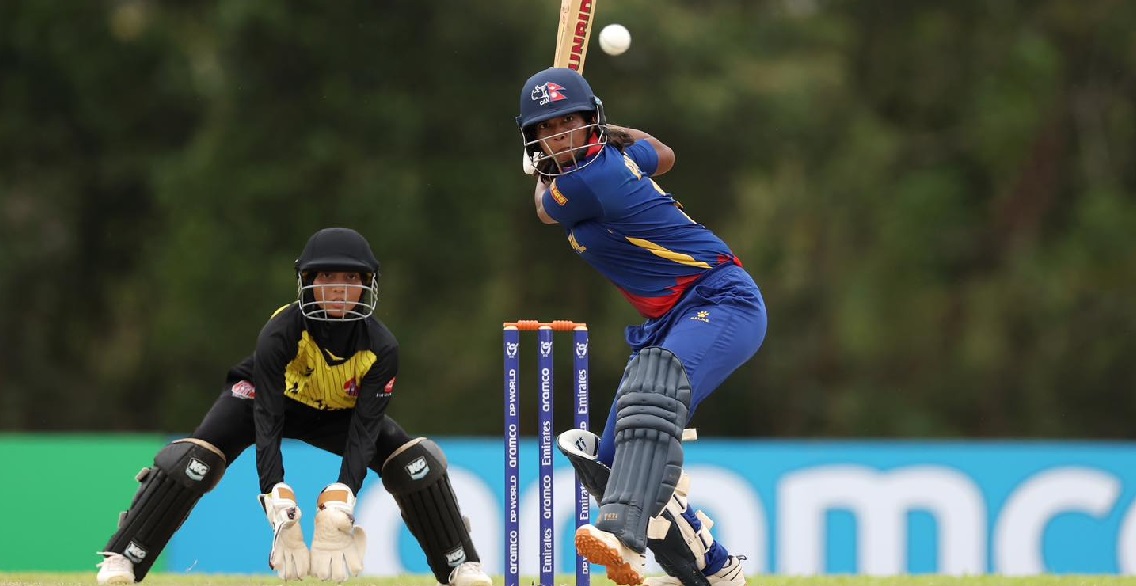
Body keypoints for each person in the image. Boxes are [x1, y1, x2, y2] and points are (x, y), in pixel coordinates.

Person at [95, 227, 492, 586]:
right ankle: (124, 557)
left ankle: (461, 564)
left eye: (351, 279)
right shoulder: (282, 331)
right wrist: (275, 494)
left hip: (337, 413)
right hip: (265, 399)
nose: (338, 290)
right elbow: (267, 418)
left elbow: (364, 432)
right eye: (327, 277)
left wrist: (343, 498)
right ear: (308, 282)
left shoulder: (382, 347)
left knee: (413, 463)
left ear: (367, 285)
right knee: (194, 460)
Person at [516, 67, 767, 586]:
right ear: (534, 138)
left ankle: (621, 536)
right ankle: (713, 568)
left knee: (654, 394)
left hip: (721, 299)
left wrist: (540, 174)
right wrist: (615, 135)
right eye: (547, 129)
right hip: (672, 318)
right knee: (611, 460)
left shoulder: (590, 180)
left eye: (569, 123)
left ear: (590, 121)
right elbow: (664, 154)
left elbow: (543, 210)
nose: (558, 136)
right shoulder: (617, 159)